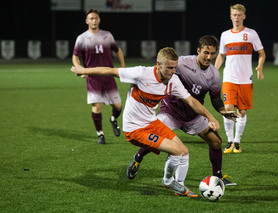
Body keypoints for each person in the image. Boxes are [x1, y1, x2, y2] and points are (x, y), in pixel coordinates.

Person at [71, 47, 220, 197]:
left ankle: (179, 186)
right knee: (175, 151)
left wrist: (210, 117)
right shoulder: (141, 73)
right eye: (169, 68)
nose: (173, 71)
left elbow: (191, 101)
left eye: (175, 67)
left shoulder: (173, 80)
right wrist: (84, 70)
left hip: (152, 123)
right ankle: (168, 182)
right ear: (158, 64)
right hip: (134, 129)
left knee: (184, 152)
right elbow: (110, 71)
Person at [126, 35, 237, 186]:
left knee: (216, 142)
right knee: (155, 136)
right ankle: (138, 158)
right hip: (171, 111)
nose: (209, 57)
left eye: (212, 53)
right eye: (206, 52)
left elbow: (215, 98)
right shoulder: (182, 63)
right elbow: (161, 71)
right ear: (198, 50)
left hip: (193, 115)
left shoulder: (214, 75)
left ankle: (218, 176)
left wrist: (223, 111)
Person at [214, 4, 266, 153]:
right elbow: (221, 55)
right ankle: (229, 141)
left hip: (245, 79)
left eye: (239, 15)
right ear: (230, 16)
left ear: (244, 16)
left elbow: (261, 53)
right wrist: (214, 70)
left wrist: (260, 67)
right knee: (228, 109)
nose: (236, 18)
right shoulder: (225, 35)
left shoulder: (251, 33)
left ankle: (237, 141)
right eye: (234, 15)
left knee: (242, 111)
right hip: (229, 78)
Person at [72, 9, 125, 145]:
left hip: (108, 76)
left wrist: (122, 65)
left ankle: (113, 119)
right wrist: (80, 69)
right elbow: (75, 57)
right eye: (91, 18)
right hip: (93, 78)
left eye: (96, 18)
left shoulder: (107, 35)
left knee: (118, 106)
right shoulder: (82, 38)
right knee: (97, 107)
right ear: (87, 21)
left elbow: (117, 50)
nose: (94, 21)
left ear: (99, 19)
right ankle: (100, 134)